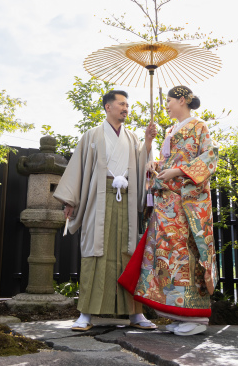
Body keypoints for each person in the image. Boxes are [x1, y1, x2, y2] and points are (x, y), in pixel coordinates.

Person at [53, 90, 158, 331]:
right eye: (121, 104)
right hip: (98, 201)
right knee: (94, 252)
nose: (126, 108)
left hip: (128, 201)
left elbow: (145, 165)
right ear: (107, 107)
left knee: (128, 253)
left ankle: (135, 315)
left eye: (127, 105)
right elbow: (78, 169)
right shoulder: (92, 135)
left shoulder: (133, 138)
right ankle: (85, 314)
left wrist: (149, 142)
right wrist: (70, 201)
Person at [118, 85, 218, 336]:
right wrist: (155, 164)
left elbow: (210, 158)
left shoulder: (199, 126)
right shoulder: (170, 130)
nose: (167, 105)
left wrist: (177, 171)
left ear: (183, 100)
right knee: (167, 256)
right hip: (167, 202)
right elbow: (168, 161)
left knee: (186, 253)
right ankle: (175, 312)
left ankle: (195, 316)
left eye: (170, 100)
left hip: (186, 203)